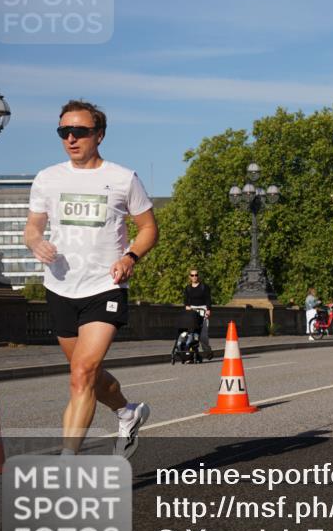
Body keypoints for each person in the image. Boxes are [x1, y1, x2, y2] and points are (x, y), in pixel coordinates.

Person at [24, 100, 157, 458]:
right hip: (61, 287)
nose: (71, 138)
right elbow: (33, 228)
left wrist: (130, 257)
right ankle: (127, 412)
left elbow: (148, 229)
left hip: (105, 286)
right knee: (89, 375)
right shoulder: (48, 178)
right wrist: (37, 242)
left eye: (79, 131)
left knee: (82, 372)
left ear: (99, 135)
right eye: (64, 132)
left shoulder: (122, 178)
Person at [183, 268, 213, 360]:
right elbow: (186, 300)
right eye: (192, 275)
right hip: (192, 310)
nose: (194, 277)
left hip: (202, 309)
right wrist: (187, 307)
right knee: (191, 334)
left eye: (196, 275)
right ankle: (192, 353)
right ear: (190, 277)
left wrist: (208, 310)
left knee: (203, 336)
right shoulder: (187, 288)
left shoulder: (204, 287)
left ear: (198, 276)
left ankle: (208, 351)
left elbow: (208, 299)